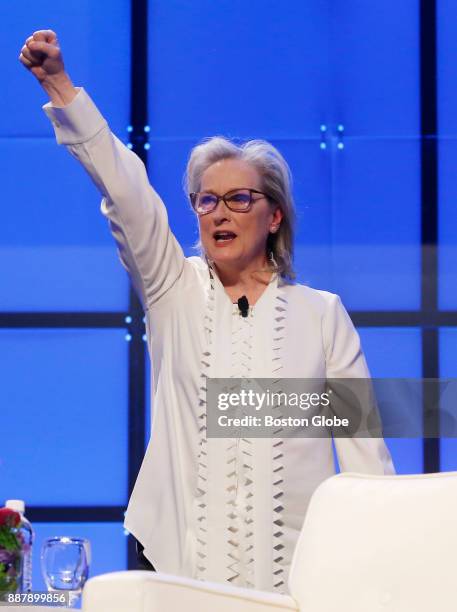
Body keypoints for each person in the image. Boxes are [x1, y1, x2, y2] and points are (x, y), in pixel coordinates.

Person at [19, 30, 395, 594]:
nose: (218, 212)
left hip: (299, 584)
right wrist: (60, 86)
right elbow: (128, 194)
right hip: (180, 576)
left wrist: (383, 571)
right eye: (206, 200)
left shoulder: (322, 315)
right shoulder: (175, 289)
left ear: (273, 216)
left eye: (239, 199)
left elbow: (366, 459)